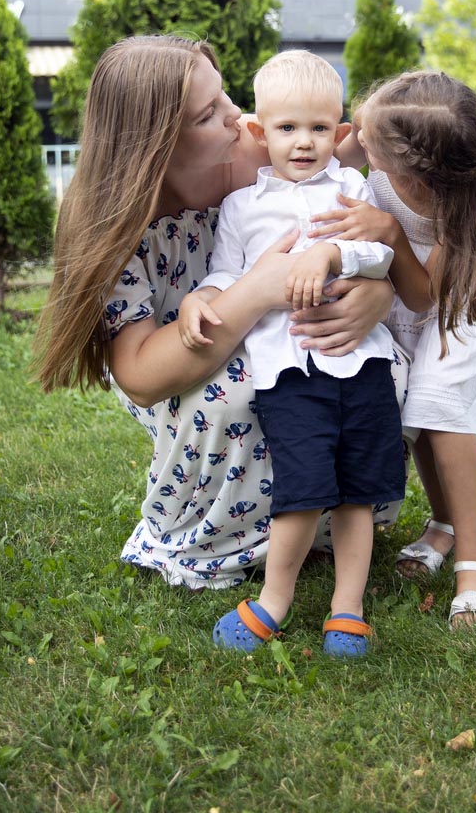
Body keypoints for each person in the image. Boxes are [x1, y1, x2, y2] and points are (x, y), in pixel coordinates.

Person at [32, 34, 406, 594]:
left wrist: (377, 287)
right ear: (155, 146)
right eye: (210, 113)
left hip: (290, 320)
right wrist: (256, 290)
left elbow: (376, 170)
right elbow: (138, 377)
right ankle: (230, 538)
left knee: (371, 366)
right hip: (176, 349)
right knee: (237, 391)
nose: (238, 116)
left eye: (225, 94)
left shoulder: (262, 145)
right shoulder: (107, 222)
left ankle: (328, 522)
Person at [178, 50, 406, 657]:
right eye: (286, 128)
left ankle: (347, 609)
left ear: (341, 133)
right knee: (302, 490)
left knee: (359, 490)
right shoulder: (243, 207)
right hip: (289, 371)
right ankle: (273, 603)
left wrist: (332, 255)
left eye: (318, 128)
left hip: (362, 362)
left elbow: (380, 256)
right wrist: (200, 298)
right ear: (259, 131)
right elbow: (226, 273)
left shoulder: (353, 188)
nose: (303, 143)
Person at [309, 70, 476, 627]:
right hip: (406, 281)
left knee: (440, 402)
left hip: (464, 289)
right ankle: (444, 524)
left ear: (417, 174)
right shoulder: (374, 133)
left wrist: (391, 233)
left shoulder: (465, 213)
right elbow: (324, 147)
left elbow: (425, 292)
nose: (355, 141)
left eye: (366, 142)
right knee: (411, 402)